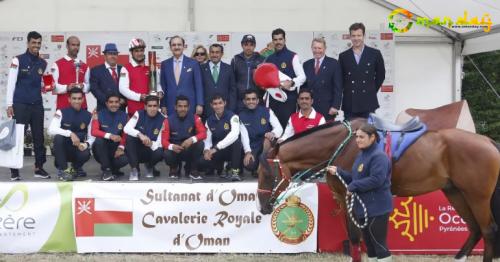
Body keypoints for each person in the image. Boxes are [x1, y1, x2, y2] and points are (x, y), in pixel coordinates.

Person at [326, 123, 392, 262]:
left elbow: (376, 180)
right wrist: (339, 172)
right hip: (363, 208)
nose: (358, 140)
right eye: (357, 137)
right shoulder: (362, 155)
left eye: (362, 137)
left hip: (377, 208)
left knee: (379, 245)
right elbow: (356, 178)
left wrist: (353, 186)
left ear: (372, 137)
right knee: (370, 246)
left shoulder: (379, 157)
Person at [5, 31, 50, 180]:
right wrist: (9, 104)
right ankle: (14, 171)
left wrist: (46, 86)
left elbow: (42, 83)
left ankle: (39, 168)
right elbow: (11, 83)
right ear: (28, 43)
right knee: (18, 138)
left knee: (39, 137)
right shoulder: (17, 60)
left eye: (38, 43)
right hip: (20, 104)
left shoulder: (43, 63)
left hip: (37, 104)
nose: (36, 45)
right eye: (33, 42)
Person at [339, 23, 386, 120]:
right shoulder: (343, 56)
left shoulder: (375, 54)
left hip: (368, 102)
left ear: (364, 36)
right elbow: (340, 79)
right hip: (350, 103)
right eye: (353, 36)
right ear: (350, 37)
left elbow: (381, 76)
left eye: (359, 35)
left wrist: (370, 90)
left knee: (368, 133)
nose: (356, 38)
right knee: (350, 133)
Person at [48, 88, 93, 181]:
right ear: (69, 99)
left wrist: (85, 145)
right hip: (63, 150)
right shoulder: (60, 112)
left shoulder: (89, 115)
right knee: (58, 138)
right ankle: (64, 170)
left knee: (86, 153)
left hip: (77, 148)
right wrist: (70, 133)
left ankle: (75, 169)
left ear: (83, 99)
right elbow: (51, 129)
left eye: (79, 98)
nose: (77, 101)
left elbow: (91, 136)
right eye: (74, 98)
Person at [265, 28, 306, 129]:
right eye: (275, 40)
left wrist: (292, 83)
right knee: (274, 129)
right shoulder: (269, 59)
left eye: (280, 39)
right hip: (273, 100)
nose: (278, 42)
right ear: (272, 41)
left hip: (289, 101)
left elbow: (302, 77)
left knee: (288, 130)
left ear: (284, 40)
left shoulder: (293, 56)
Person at [162, 95, 206, 180]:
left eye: (185, 106)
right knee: (167, 152)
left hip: (188, 148)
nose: (183, 109)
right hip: (175, 150)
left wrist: (191, 139)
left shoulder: (195, 118)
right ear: (175, 107)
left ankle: (192, 169)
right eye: (180, 106)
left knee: (200, 144)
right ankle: (174, 168)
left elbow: (204, 133)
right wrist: (172, 146)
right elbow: (163, 141)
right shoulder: (168, 120)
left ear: (189, 107)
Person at [198, 94, 241, 181]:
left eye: (220, 103)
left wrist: (217, 148)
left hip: (230, 151)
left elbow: (234, 134)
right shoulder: (209, 120)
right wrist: (206, 150)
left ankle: (235, 172)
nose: (218, 106)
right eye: (215, 104)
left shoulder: (233, 117)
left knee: (236, 142)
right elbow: (207, 140)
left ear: (225, 103)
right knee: (201, 163)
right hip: (218, 152)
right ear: (211, 105)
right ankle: (223, 167)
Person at [239, 89, 282, 175]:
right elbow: (244, 137)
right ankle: (261, 166)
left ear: (258, 100)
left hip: (267, 144)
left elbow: (279, 128)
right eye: (248, 99)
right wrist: (248, 152)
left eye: (253, 99)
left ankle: (261, 166)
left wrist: (272, 133)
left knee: (267, 140)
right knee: (249, 164)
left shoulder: (267, 111)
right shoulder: (241, 116)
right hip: (253, 146)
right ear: (244, 101)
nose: (251, 101)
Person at [124, 94, 165, 181]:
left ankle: (150, 166)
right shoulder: (138, 114)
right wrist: (140, 134)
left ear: (158, 107)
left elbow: (161, 142)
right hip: (137, 149)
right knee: (130, 138)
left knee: (160, 151)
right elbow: (126, 128)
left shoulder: (164, 119)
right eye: (150, 106)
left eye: (155, 106)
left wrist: (150, 143)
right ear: (145, 106)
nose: (152, 108)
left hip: (150, 150)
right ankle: (135, 169)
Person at [160, 36, 203, 116]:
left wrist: (199, 104)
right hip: (171, 105)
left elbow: (198, 85)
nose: (176, 47)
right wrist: (163, 105)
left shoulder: (193, 63)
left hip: (189, 105)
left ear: (184, 46)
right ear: (170, 47)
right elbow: (163, 87)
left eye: (179, 44)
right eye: (174, 45)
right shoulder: (165, 64)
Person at [119, 38, 163, 117]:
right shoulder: (125, 68)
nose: (139, 53)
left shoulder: (151, 66)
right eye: (136, 51)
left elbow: (158, 84)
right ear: (131, 53)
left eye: (141, 50)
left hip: (152, 112)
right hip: (135, 112)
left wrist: (160, 92)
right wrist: (139, 97)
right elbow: (122, 89)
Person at [302, 37, 342, 121]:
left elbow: (338, 87)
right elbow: (303, 88)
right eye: (315, 48)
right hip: (310, 108)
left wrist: (335, 106)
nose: (317, 51)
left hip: (327, 109)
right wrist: (302, 104)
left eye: (319, 48)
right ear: (311, 48)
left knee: (327, 133)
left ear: (325, 49)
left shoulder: (334, 64)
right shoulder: (306, 64)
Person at [91, 93, 129, 181]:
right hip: (101, 149)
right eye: (111, 102)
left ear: (120, 103)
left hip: (116, 149)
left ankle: (114, 170)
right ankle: (106, 170)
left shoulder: (125, 116)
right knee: (99, 140)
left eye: (116, 102)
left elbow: (125, 134)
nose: (114, 104)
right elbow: (94, 131)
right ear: (106, 103)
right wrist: (110, 136)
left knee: (125, 159)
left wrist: (121, 147)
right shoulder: (98, 114)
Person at [51, 36, 90, 110]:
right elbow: (53, 87)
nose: (76, 47)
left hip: (81, 107)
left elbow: (88, 87)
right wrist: (67, 87)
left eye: (78, 45)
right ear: (67, 46)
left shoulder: (85, 66)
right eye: (73, 45)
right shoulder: (57, 64)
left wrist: (83, 86)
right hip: (63, 107)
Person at [231, 34, 265, 112]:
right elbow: (232, 83)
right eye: (246, 44)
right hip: (240, 101)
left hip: (256, 101)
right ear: (242, 45)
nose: (248, 47)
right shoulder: (235, 60)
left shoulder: (262, 60)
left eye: (251, 45)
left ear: (255, 46)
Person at [201, 43, 236, 118]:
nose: (214, 55)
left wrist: (232, 108)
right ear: (209, 53)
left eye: (217, 52)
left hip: (225, 110)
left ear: (222, 54)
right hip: (206, 110)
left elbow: (232, 90)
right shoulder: (201, 68)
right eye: (212, 52)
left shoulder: (229, 68)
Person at [90, 43, 126, 112]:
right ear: (105, 56)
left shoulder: (123, 69)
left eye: (115, 54)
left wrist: (124, 100)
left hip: (121, 110)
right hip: (103, 110)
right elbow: (94, 89)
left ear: (117, 56)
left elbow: (127, 86)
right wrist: (110, 102)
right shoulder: (96, 70)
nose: (112, 56)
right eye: (110, 54)